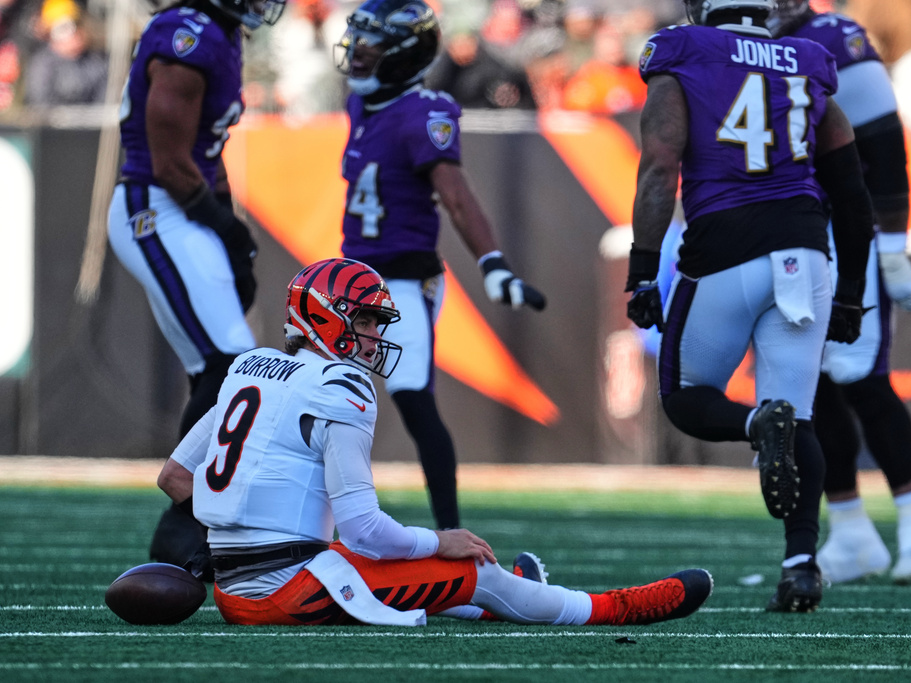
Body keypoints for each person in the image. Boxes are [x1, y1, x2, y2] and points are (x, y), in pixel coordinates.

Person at [156, 257, 714, 627]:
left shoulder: (250, 368)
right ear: (327, 319)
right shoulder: (339, 385)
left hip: (234, 593)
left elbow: (175, 478)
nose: (375, 336)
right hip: (289, 594)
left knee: (389, 568)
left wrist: (233, 536)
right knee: (471, 571)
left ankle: (515, 593)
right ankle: (609, 608)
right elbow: (365, 530)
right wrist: (438, 539)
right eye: (367, 321)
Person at [626, 0, 875, 612]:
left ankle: (753, 426)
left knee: (685, 397)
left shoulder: (682, 52)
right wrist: (850, 292)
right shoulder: (807, 61)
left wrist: (641, 270)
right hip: (805, 250)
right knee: (801, 415)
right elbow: (851, 189)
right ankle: (800, 565)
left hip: (726, 248)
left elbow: (661, 165)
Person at [332, 0, 545, 531]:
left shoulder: (424, 112)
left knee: (413, 403)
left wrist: (493, 263)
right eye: (357, 42)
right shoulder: (364, 106)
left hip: (402, 282)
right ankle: (305, 528)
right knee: (324, 405)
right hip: (352, 279)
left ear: (403, 57)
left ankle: (452, 533)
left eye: (370, 46)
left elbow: (456, 196)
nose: (357, 55)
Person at [769, 0, 911, 584]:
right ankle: (849, 533)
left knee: (862, 379)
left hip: (843, 232)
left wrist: (891, 246)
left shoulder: (830, 36)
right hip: (782, 237)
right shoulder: (725, 47)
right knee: (808, 387)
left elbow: (884, 143)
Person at [107, 0, 286, 572]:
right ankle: (183, 527)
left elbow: (206, 155)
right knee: (231, 360)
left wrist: (228, 223)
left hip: (182, 207)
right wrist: (222, 224)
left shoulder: (218, 34)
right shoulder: (188, 37)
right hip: (153, 207)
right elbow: (167, 162)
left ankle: (202, 524)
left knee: (222, 366)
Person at [22, 7, 107, 106]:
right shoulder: (42, 64)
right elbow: (40, 102)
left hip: (89, 119)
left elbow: (102, 98)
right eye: (69, 30)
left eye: (78, 27)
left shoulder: (95, 61)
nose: (76, 35)